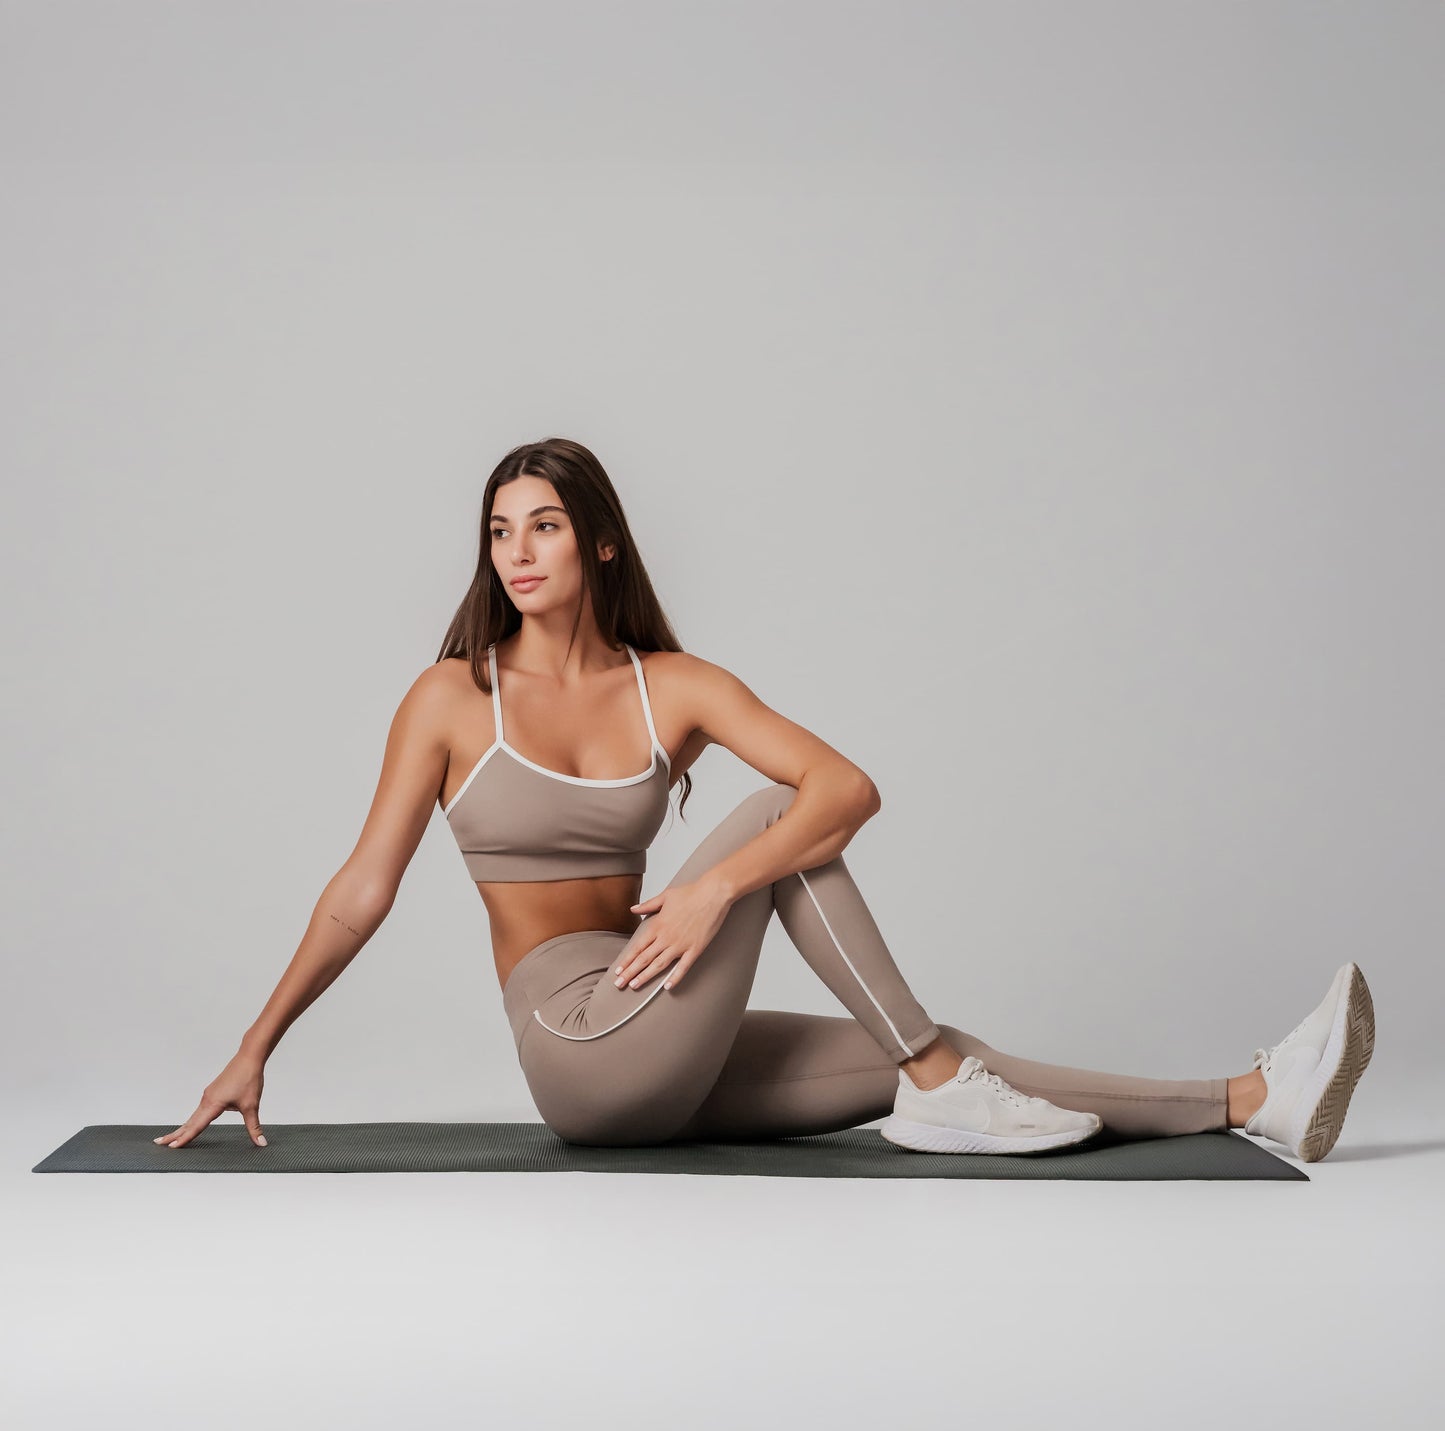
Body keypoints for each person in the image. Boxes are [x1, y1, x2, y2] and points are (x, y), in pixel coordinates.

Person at [155, 438, 1375, 1162]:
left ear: (601, 546)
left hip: (663, 1014)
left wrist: (708, 896)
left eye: (544, 526)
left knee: (933, 1051)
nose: (517, 552)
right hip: (574, 1048)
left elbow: (850, 786)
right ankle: (945, 1092)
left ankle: (1252, 1097)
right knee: (770, 828)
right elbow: (358, 893)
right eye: (498, 532)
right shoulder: (448, 698)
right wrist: (252, 1050)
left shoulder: (673, 686)